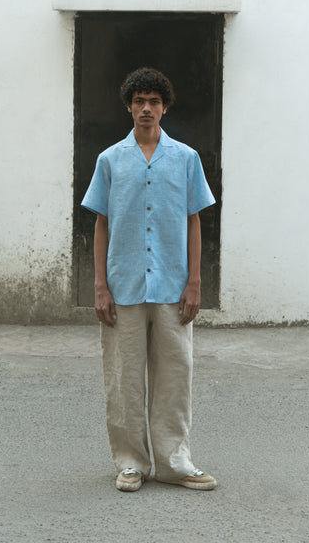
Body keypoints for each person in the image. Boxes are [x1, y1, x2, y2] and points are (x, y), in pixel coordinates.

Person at [81, 67, 217, 492]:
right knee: (123, 377)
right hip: (123, 286)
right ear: (128, 106)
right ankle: (131, 462)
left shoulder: (185, 158)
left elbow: (193, 220)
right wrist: (99, 285)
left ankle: (174, 461)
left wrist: (195, 282)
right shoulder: (110, 160)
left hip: (173, 286)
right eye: (139, 100)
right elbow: (101, 223)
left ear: (165, 106)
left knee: (176, 374)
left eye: (154, 101)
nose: (146, 108)